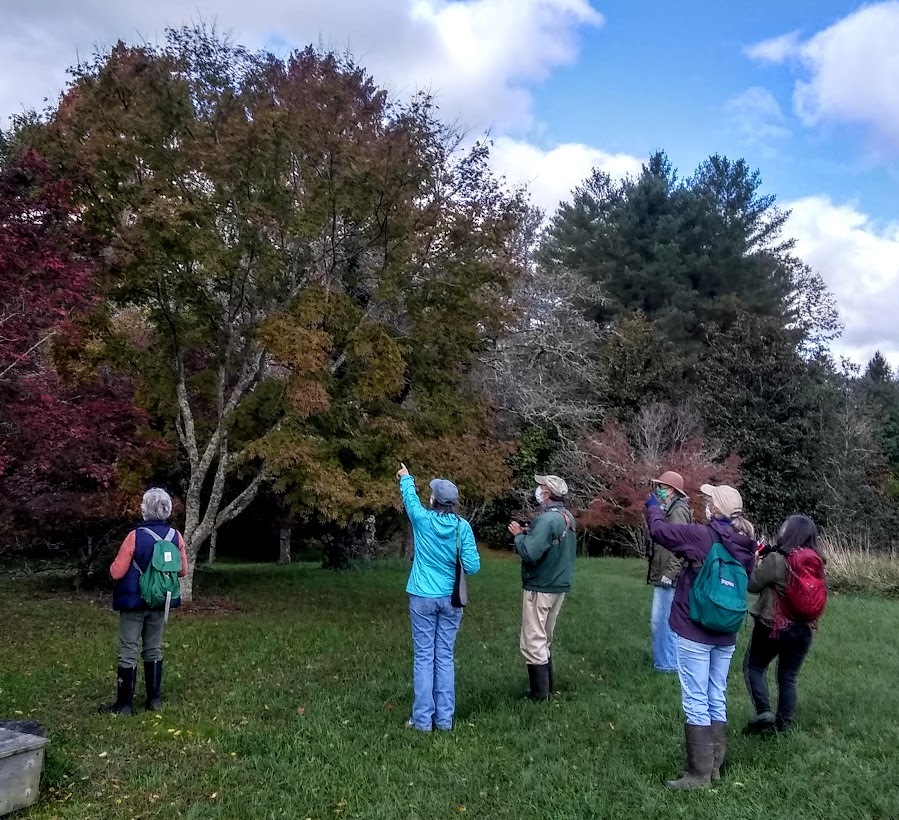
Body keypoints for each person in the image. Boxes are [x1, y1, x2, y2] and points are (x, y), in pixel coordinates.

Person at [644, 483, 756, 790]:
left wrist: (654, 506)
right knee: (715, 694)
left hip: (695, 627)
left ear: (715, 509)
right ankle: (716, 767)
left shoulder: (700, 536)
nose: (705, 504)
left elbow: (660, 532)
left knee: (695, 697)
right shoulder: (746, 543)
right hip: (727, 631)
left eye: (708, 501)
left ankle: (698, 774)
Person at [398, 463, 480, 731]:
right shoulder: (462, 527)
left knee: (424, 657)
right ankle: (444, 721)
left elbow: (410, 501)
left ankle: (422, 721)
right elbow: (473, 566)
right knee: (443, 656)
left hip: (422, 596)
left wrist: (406, 477)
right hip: (451, 599)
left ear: (434, 500)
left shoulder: (422, 520)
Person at [99, 488, 188, 716]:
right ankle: (154, 700)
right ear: (167, 509)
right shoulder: (175, 537)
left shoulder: (135, 536)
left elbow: (117, 572)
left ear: (146, 509)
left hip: (133, 601)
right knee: (153, 648)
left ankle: (124, 704)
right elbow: (182, 571)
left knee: (128, 648)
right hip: (160, 601)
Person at [744, 515, 825, 734]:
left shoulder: (777, 560)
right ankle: (784, 724)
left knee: (754, 667)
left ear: (789, 533)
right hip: (804, 628)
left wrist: (754, 560)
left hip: (774, 625)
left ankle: (764, 713)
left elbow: (752, 585)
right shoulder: (817, 560)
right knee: (788, 677)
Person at [508, 474, 576, 701]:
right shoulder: (567, 517)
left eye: (541, 487)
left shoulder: (547, 520)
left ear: (547, 493)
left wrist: (519, 536)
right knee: (545, 637)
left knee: (533, 639)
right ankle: (547, 689)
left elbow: (529, 554)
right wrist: (531, 533)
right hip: (559, 585)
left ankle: (539, 695)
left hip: (541, 586)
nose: (538, 491)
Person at [646, 471, 692, 673]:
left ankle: (668, 665)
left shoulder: (678, 511)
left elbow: (681, 544)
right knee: (660, 620)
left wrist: (670, 573)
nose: (659, 491)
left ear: (672, 490)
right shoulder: (671, 508)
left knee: (663, 621)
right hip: (665, 573)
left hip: (669, 576)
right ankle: (664, 662)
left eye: (662, 487)